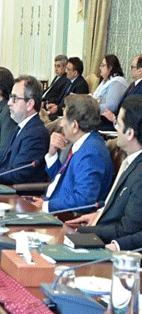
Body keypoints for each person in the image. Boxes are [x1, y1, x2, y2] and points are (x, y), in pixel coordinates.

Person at [65, 96, 142, 251]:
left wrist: (83, 231)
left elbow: (127, 230)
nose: (115, 128)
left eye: (117, 124)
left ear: (130, 133)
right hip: (99, 230)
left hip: (113, 250)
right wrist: (100, 213)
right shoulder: (131, 161)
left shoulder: (140, 174)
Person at [30, 94, 113, 212]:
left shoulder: (91, 153)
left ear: (74, 125)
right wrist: (52, 154)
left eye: (64, 118)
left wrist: (46, 206)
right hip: (50, 204)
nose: (60, 124)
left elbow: (83, 200)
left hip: (61, 217)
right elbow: (63, 181)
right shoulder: (85, 143)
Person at [101, 54, 142, 129]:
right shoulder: (133, 84)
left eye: (132, 67)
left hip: (125, 126)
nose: (129, 69)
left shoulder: (140, 88)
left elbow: (134, 113)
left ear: (140, 71)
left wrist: (114, 119)